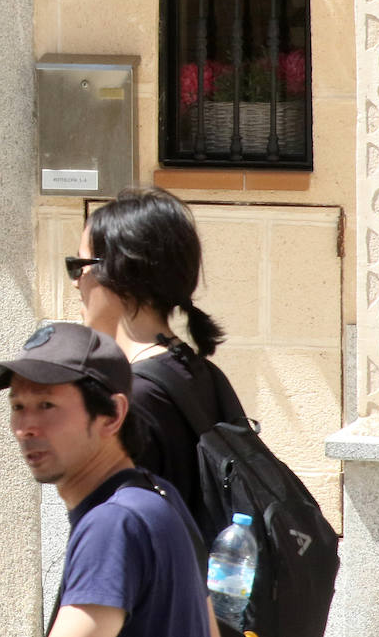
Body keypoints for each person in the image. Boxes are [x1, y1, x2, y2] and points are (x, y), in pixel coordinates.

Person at [0, 321, 217, 637]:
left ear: (113, 415)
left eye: (46, 405)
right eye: (18, 406)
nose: (26, 427)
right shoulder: (157, 495)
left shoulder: (114, 523)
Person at [67, 185, 232, 540]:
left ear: (120, 275)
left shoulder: (132, 398)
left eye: (80, 266)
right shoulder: (198, 372)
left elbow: (115, 543)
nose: (76, 282)